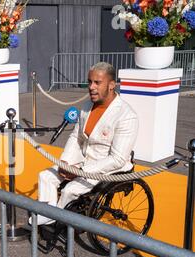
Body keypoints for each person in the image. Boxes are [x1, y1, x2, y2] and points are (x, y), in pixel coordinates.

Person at [33, 62, 139, 226]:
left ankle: (57, 223)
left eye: (97, 82)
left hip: (107, 168)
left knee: (70, 190)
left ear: (111, 85)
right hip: (82, 160)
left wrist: (81, 171)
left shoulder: (126, 116)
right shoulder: (87, 106)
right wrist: (66, 162)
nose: (91, 87)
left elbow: (117, 159)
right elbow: (76, 137)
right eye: (90, 82)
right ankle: (47, 216)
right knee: (45, 176)